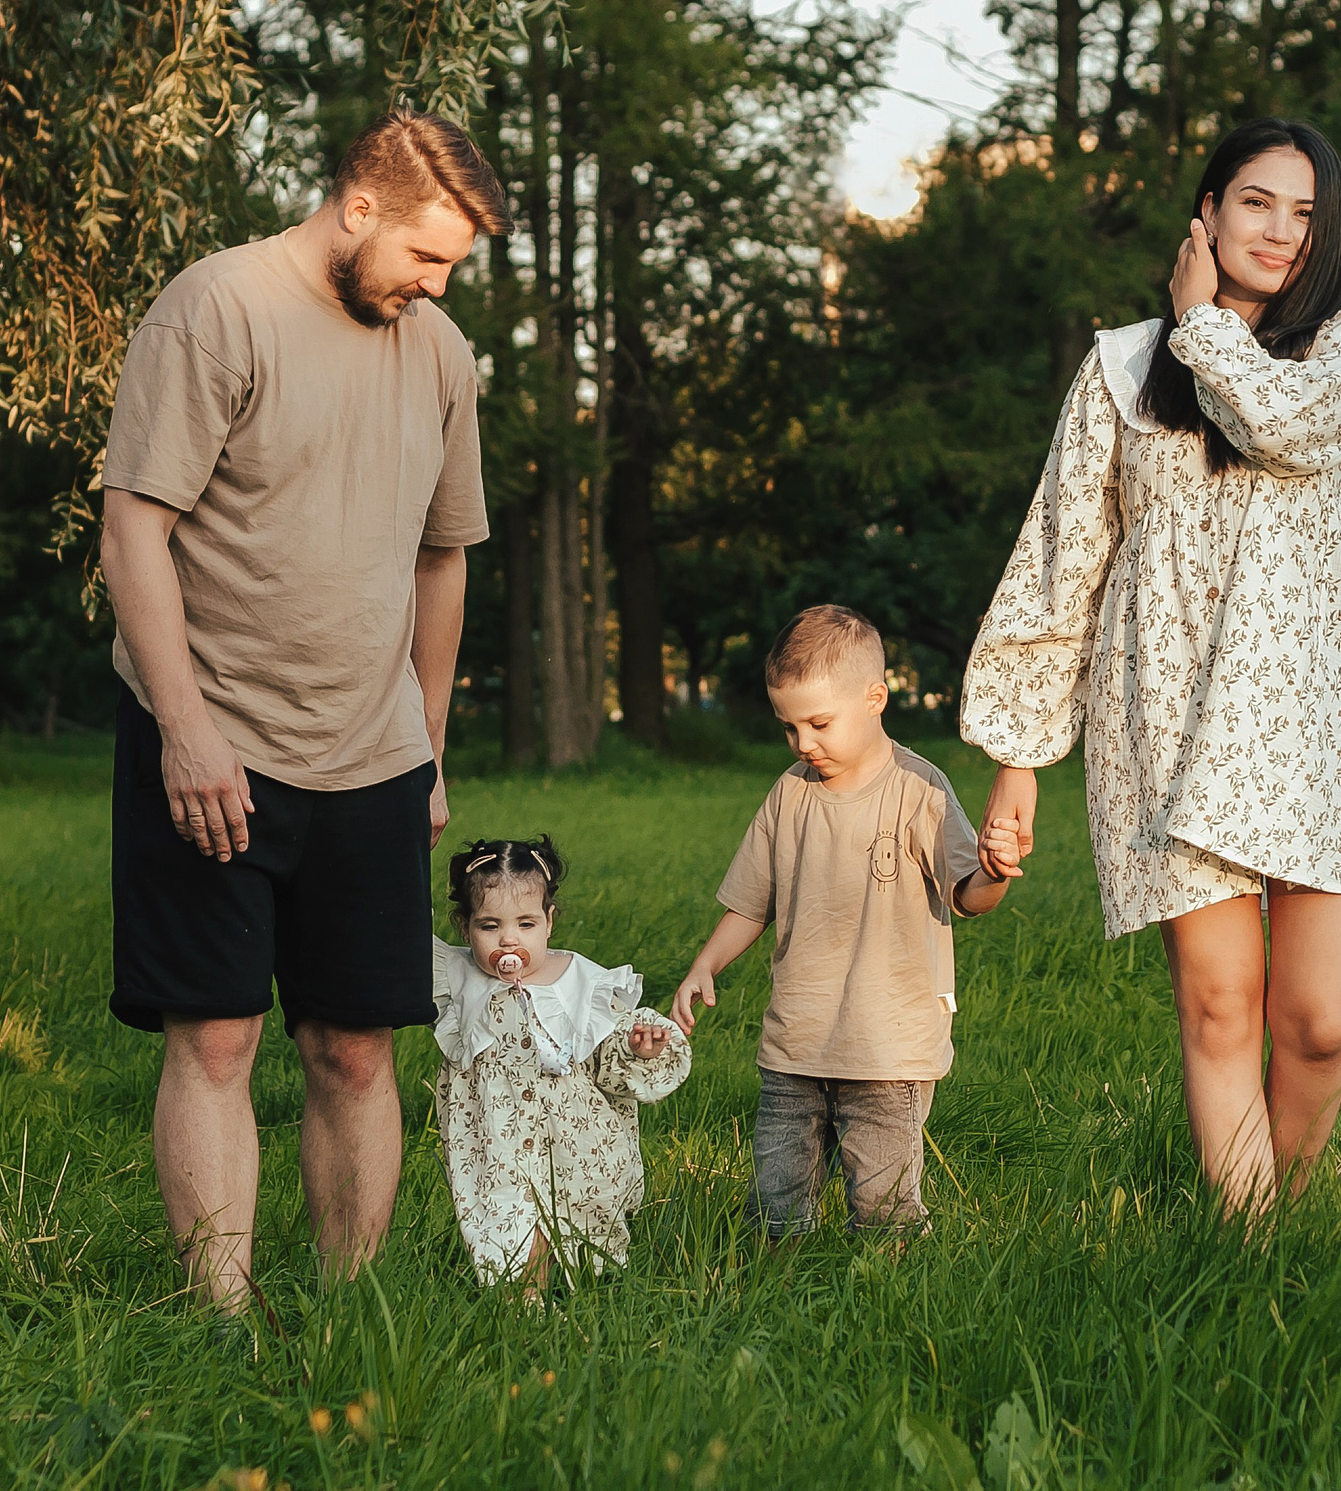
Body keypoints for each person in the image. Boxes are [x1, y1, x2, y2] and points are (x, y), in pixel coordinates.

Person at [98, 110, 510, 1316]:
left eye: (452, 270)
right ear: (360, 206)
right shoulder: (216, 309)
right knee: (217, 1040)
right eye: (425, 259)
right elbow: (134, 527)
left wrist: (427, 749)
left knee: (354, 1046)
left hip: (372, 756)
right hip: (210, 740)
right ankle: (220, 1321)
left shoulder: (436, 352)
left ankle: (346, 1313)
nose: (434, 287)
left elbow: (446, 559)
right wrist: (184, 729)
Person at [960, 117, 1341, 1217]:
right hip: (1158, 703)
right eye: (1257, 201)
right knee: (1218, 1005)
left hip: (1316, 708)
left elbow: (1280, 429)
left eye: (1307, 214)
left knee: (1320, 1019)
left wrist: (1203, 324)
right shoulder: (1116, 365)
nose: (1282, 232)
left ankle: (1289, 1215)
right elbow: (1061, 560)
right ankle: (1251, 1250)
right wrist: (1019, 760)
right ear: (1204, 213)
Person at [670, 606, 1018, 1236]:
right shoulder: (791, 791)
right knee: (776, 1204)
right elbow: (751, 899)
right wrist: (705, 963)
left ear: (875, 698)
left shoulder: (919, 788)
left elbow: (968, 897)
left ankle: (885, 1292)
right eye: (789, 728)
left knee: (882, 1205)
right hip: (796, 1041)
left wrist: (994, 869)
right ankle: (773, 1285)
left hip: (888, 1050)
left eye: (819, 723)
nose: (804, 743)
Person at [430, 837, 691, 1292]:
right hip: (495, 1138)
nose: (508, 940)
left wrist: (636, 1049)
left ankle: (565, 1292)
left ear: (549, 923)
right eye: (489, 926)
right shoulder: (457, 978)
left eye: (526, 924)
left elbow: (607, 1067)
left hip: (578, 1142)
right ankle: (523, 1303)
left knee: (576, 1229)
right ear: (465, 926)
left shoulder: (582, 983)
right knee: (508, 1222)